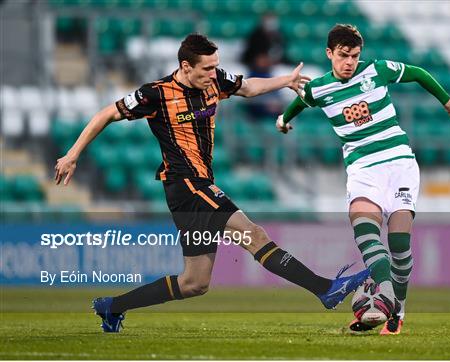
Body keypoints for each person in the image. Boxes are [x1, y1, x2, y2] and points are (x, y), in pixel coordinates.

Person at [54, 33, 370, 333]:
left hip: (198, 186)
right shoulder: (156, 94)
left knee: (195, 283)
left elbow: (247, 87)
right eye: (207, 68)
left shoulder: (213, 81)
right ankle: (325, 289)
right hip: (185, 185)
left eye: (215, 66)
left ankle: (112, 306)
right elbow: (107, 114)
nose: (213, 73)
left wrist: (285, 81)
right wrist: (72, 154)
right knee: (253, 234)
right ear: (185, 66)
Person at [276, 24, 450, 335]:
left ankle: (397, 310)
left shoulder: (376, 71)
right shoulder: (319, 89)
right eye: (342, 56)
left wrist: (447, 102)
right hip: (363, 170)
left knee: (400, 245)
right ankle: (385, 302)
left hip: (400, 164)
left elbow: (418, 73)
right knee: (367, 235)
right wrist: (284, 120)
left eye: (354, 56)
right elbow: (301, 100)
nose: (349, 62)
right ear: (329, 54)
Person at [240, 13, 287, 120]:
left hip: (271, 72)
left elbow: (283, 54)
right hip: (255, 72)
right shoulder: (255, 36)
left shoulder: (279, 36)